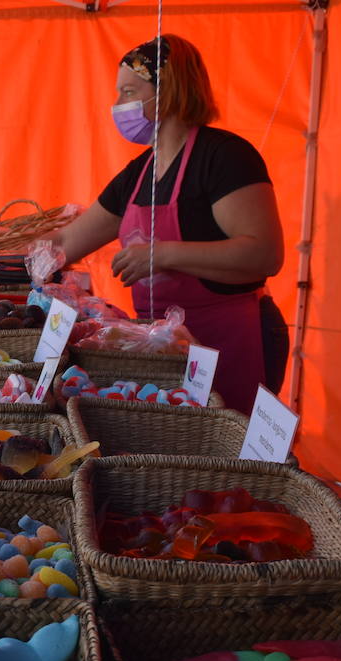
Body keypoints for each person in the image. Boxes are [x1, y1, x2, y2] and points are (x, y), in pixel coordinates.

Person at [50, 35, 286, 411]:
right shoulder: (138, 173)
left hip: (232, 339)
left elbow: (264, 254)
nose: (117, 106)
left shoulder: (225, 158)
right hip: (164, 349)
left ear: (169, 91)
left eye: (128, 92)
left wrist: (163, 255)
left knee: (229, 456)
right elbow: (65, 242)